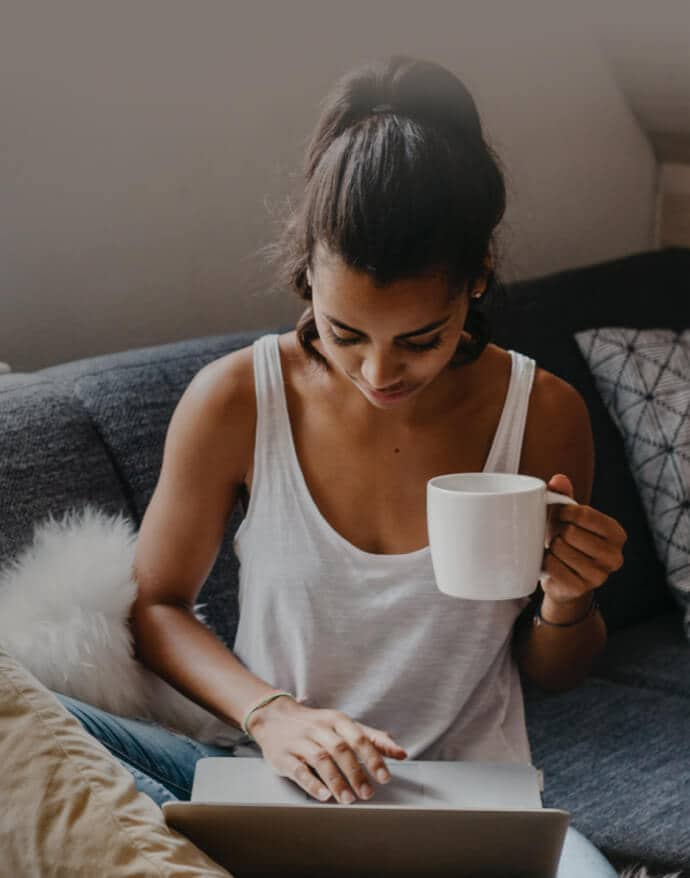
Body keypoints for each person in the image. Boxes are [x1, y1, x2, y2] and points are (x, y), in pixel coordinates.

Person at [55, 54, 627, 877]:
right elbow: (156, 607)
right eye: (345, 332)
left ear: (478, 280)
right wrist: (273, 715)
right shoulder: (237, 400)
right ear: (307, 275)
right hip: (271, 781)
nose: (379, 375)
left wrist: (569, 601)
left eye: (420, 340)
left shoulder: (542, 414)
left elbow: (557, 671)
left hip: (466, 806)